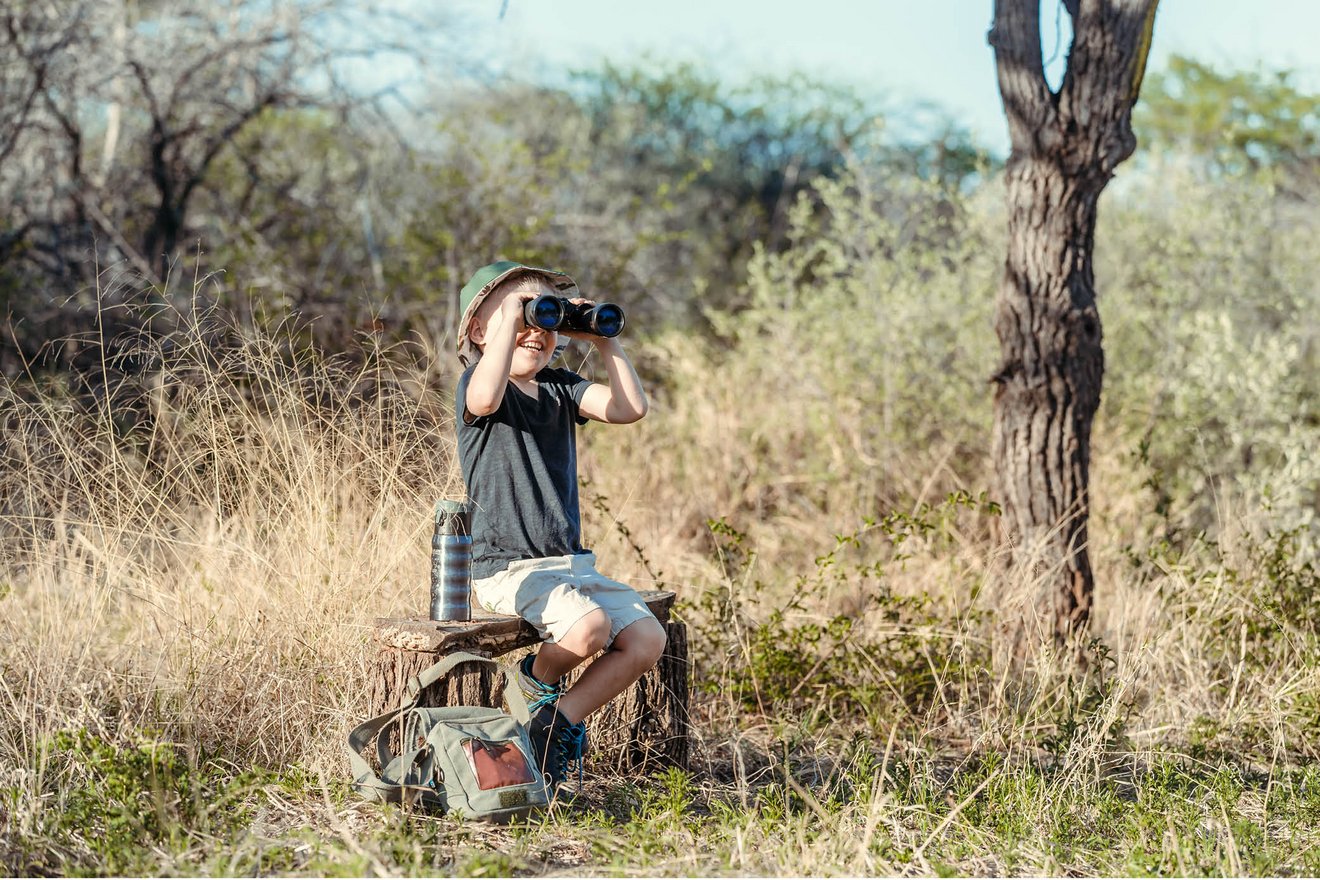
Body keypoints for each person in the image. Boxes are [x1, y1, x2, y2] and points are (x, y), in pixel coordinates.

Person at [453, 260, 667, 797]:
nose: (535, 328)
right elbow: (484, 396)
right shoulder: (480, 389)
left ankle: (555, 723)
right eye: (518, 315)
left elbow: (629, 407)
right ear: (481, 332)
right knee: (590, 629)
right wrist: (509, 323)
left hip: (570, 564)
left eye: (546, 319)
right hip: (506, 567)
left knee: (647, 639)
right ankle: (534, 680)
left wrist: (601, 338)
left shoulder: (561, 387)